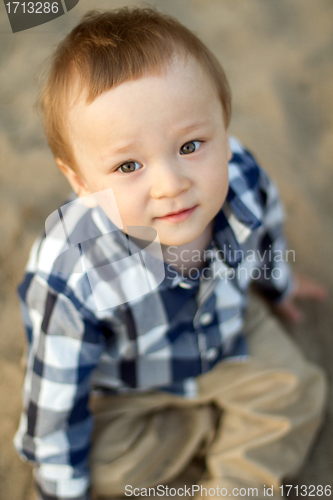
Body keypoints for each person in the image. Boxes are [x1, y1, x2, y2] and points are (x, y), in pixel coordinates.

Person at [14, 7, 328, 500]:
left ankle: (230, 486)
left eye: (190, 145)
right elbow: (53, 409)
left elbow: (265, 233)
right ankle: (202, 429)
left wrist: (278, 286)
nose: (170, 184)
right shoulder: (71, 275)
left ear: (224, 131)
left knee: (298, 390)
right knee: (109, 472)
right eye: (129, 164)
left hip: (225, 331)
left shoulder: (240, 175)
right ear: (79, 182)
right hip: (129, 382)